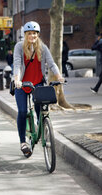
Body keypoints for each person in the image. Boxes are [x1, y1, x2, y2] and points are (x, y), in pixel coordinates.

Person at [13, 21, 64, 157]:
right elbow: (17, 64)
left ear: (38, 34)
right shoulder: (19, 47)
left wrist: (59, 76)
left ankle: (41, 128)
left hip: (37, 83)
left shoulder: (43, 47)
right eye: (29, 33)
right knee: (23, 111)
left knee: (41, 111)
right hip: (22, 85)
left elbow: (51, 64)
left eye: (34, 33)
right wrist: (17, 79)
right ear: (25, 34)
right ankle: (23, 142)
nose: (32, 36)